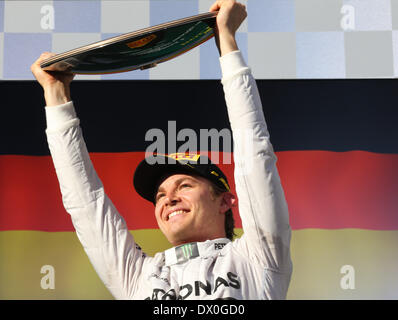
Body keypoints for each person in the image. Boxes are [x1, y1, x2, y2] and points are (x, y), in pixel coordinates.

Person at [31, 0, 292, 300]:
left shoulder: (258, 257)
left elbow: (254, 153)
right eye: (160, 195)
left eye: (184, 185)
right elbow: (86, 205)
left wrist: (226, 42)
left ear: (225, 201)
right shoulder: (139, 276)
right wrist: (55, 94)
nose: (168, 199)